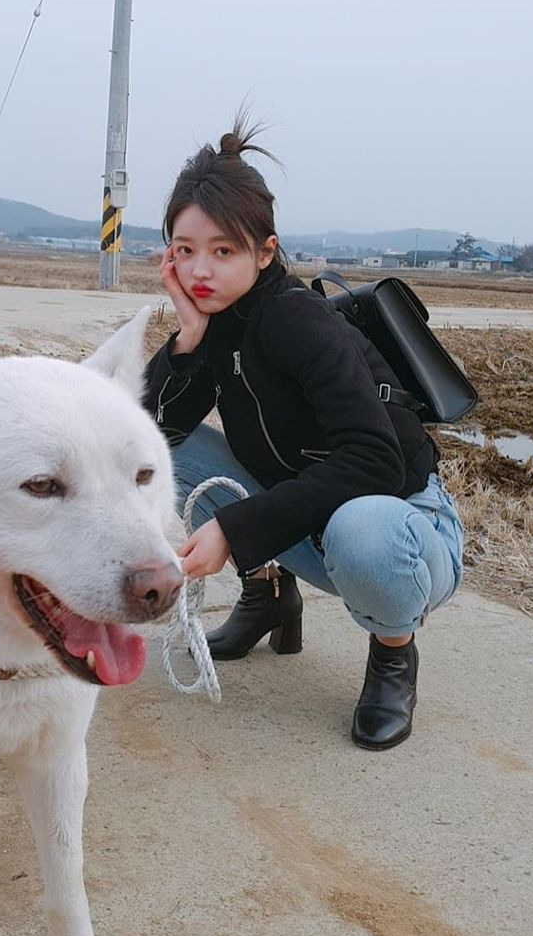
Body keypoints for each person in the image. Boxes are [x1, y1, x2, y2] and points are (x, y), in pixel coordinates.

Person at [143, 116, 464, 750]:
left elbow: (374, 461)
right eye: (185, 250)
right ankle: (267, 597)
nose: (200, 270)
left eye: (223, 250)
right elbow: (150, 429)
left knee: (361, 526)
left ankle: (393, 653)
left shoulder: (296, 320)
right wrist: (186, 339)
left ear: (265, 252)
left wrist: (235, 531)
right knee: (158, 451)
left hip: (405, 529)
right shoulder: (215, 322)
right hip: (306, 525)